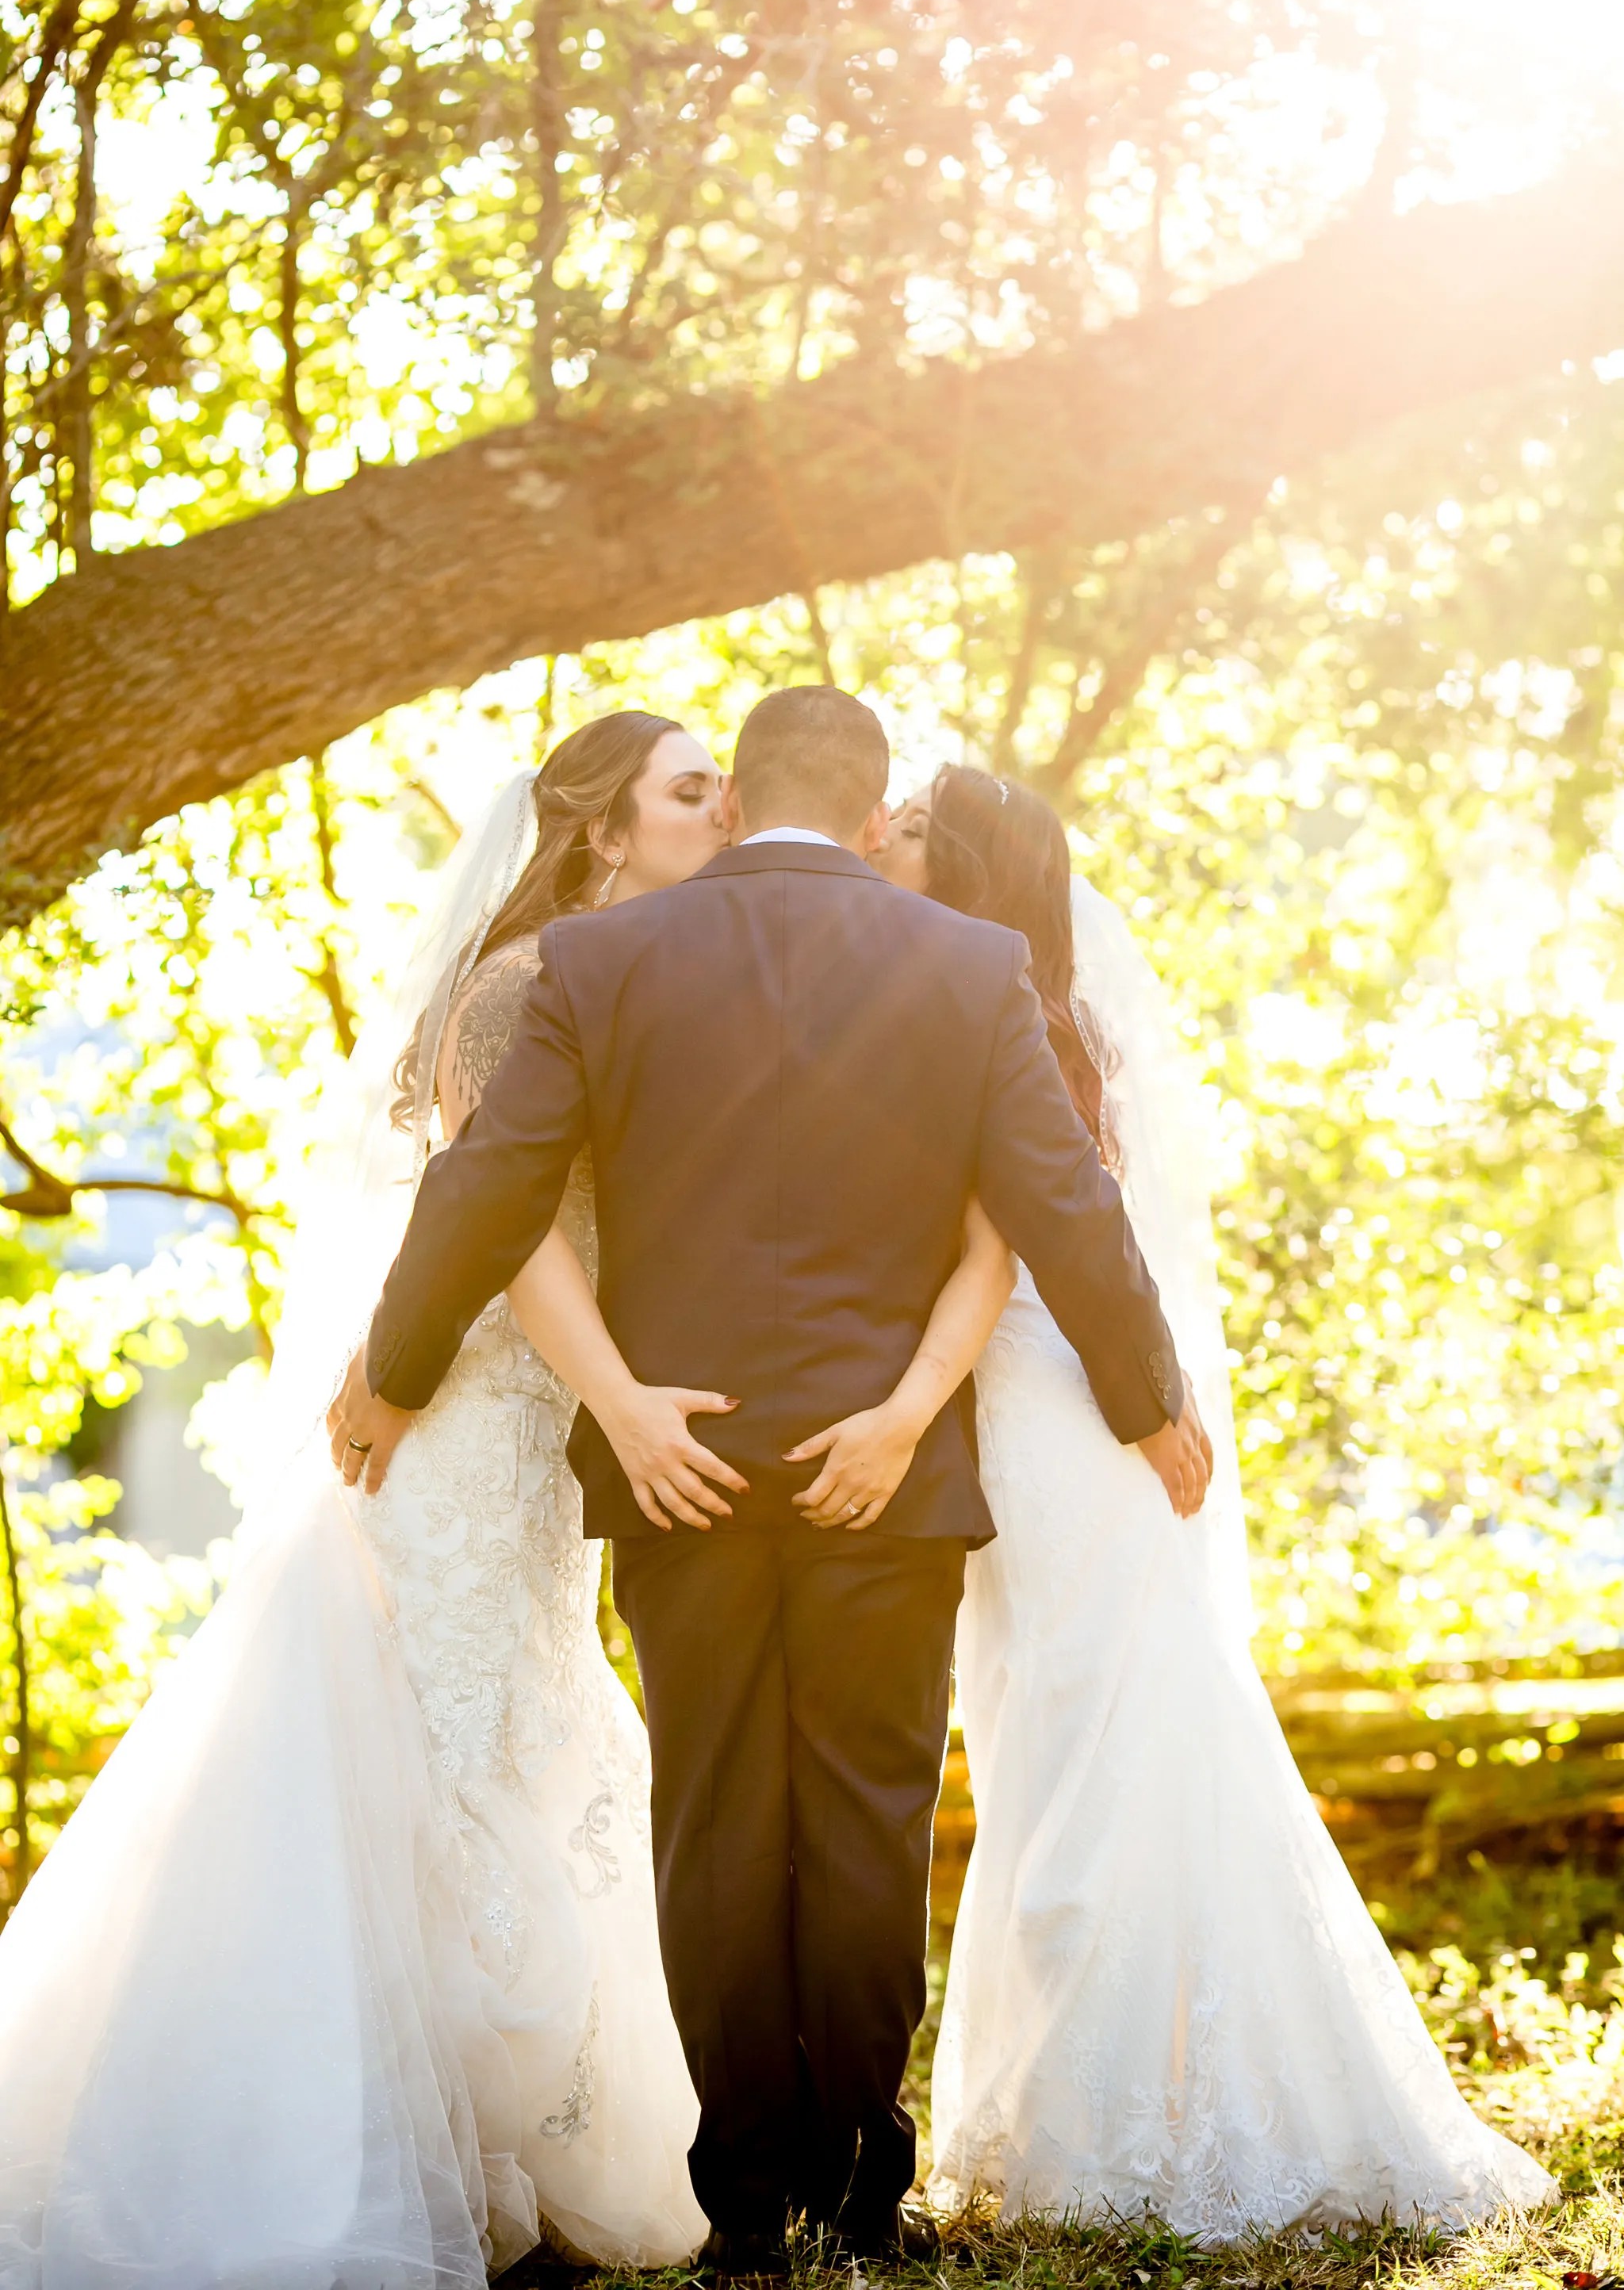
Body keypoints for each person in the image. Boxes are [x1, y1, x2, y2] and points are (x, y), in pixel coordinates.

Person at [337, 686, 1210, 2277]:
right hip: (891, 1458)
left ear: (738, 792)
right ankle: (862, 2195)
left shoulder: (601, 962)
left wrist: (390, 1378)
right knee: (869, 1818)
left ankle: (743, 2204)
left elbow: (488, 1188)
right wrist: (1149, 1401)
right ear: (874, 808)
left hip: (683, 1458)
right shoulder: (965, 963)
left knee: (719, 1817)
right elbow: (1062, 1201)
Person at [0, 714, 726, 2289]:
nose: (723, 810)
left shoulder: (621, 976)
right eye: (691, 790)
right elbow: (506, 1218)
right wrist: (613, 1396)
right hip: (479, 1402)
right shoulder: (526, 982)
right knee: (446, 1729)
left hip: (543, 1417)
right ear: (600, 832)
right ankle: (397, 2135)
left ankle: (498, 2129)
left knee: (520, 1718)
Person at [871, 764, 1555, 2241]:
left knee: (1092, 1738)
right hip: (1023, 1411)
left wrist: (1148, 1404)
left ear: (972, 867)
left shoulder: (1029, 1028)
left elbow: (1063, 1241)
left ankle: (1118, 2132)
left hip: (1059, 1418)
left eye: (912, 826)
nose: (884, 836)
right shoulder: (994, 1004)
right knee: (1055, 1737)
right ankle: (1100, 2108)